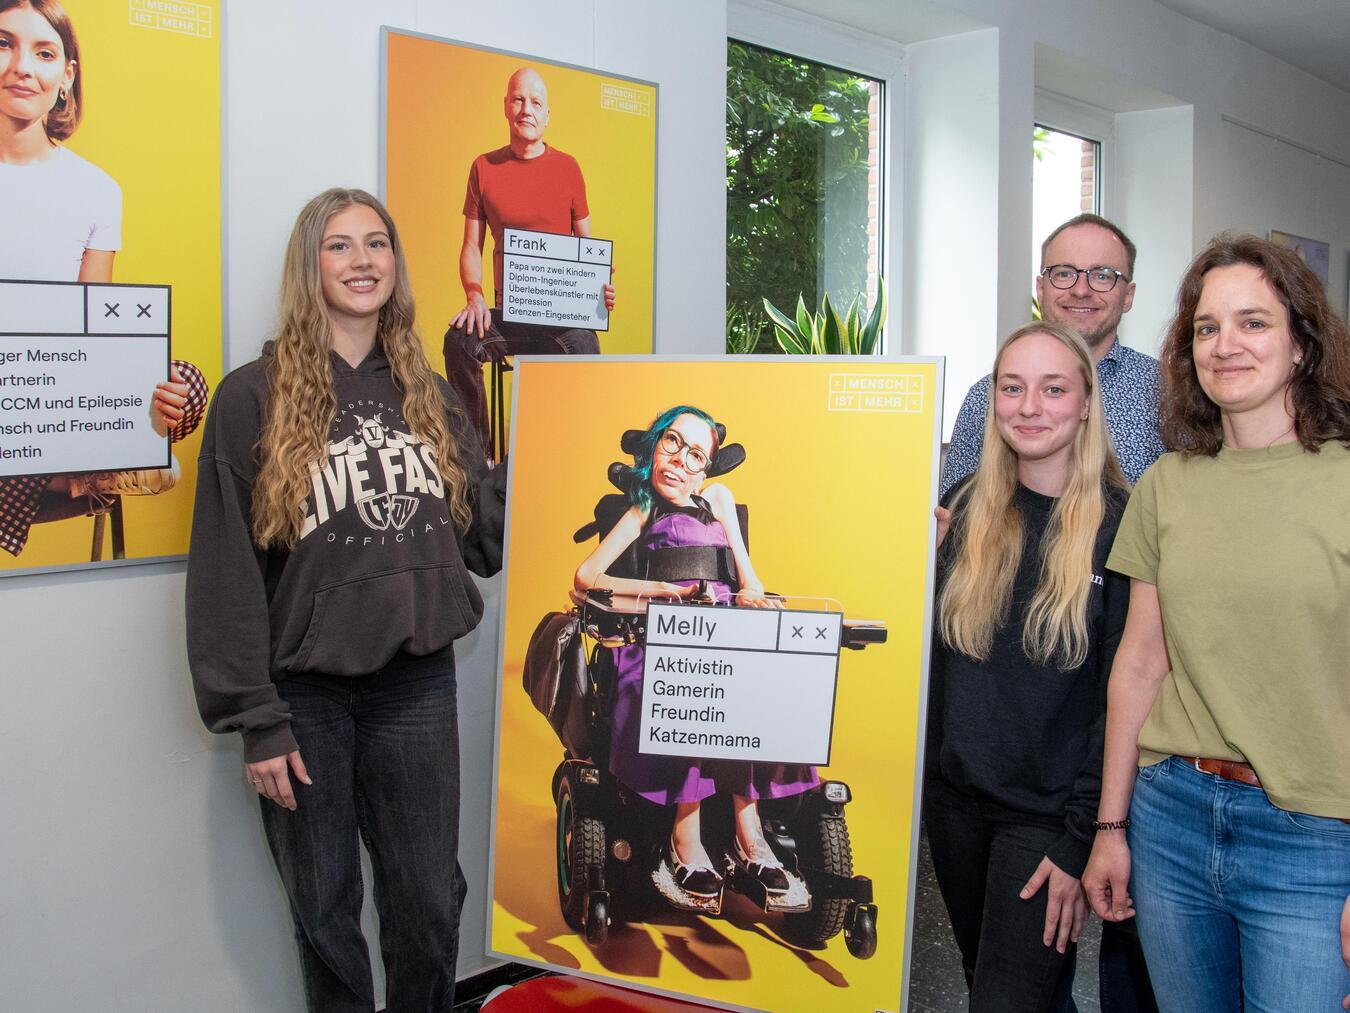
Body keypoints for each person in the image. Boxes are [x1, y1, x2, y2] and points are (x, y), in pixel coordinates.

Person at [186, 188, 504, 1013]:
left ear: (396, 265)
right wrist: (255, 715)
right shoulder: (251, 396)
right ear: (309, 266)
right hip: (304, 700)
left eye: (377, 243)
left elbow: (487, 537)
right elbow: (225, 572)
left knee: (430, 905)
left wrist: (544, 422)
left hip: (416, 686)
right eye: (339, 245)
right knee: (324, 913)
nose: (362, 260)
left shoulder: (428, 391)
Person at [1082, 234, 1350, 1012]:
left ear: (1303, 343)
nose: (1225, 344)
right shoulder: (1169, 484)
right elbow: (1138, 663)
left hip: (1317, 838)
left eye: (1254, 323)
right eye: (1206, 327)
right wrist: (1111, 826)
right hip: (1173, 818)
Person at [925, 321, 1130, 1012]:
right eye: (1012, 388)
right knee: (997, 984)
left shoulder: (1120, 527)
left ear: (1084, 404)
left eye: (1052, 388)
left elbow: (1120, 699)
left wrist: (1084, 838)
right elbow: (939, 669)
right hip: (956, 808)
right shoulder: (963, 510)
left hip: (1045, 820)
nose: (1030, 406)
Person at [574, 406, 811, 902]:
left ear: (707, 468)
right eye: (672, 443)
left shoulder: (719, 499)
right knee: (686, 690)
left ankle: (751, 839)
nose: (680, 460)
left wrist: (750, 593)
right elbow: (587, 577)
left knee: (756, 691)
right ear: (654, 444)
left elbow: (749, 578)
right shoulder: (643, 506)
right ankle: (686, 837)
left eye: (696, 454)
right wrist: (661, 589)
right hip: (662, 631)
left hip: (724, 627)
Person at [0, 0, 206, 557]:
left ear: (66, 75)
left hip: (47, 383)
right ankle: (74, 479)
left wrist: (137, 389)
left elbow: (93, 332)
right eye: (3, 44)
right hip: (14, 392)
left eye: (43, 52)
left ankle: (68, 468)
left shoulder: (95, 190)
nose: (22, 66)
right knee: (143, 460)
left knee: (183, 384)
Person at [443, 66, 616, 458]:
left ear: (547, 114)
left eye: (536, 102)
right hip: (510, 313)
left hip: (559, 321)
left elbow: (589, 246)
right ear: (506, 106)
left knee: (586, 348)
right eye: (519, 99)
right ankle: (478, 458)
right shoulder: (484, 168)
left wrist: (600, 287)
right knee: (458, 340)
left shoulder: (568, 168)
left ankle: (571, 454)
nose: (526, 109)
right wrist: (474, 294)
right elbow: (471, 245)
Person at [941, 214, 1165, 496]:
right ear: (1040, 288)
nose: (1081, 290)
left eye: (1102, 276)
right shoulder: (986, 399)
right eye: (1064, 273)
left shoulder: (1168, 393)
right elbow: (954, 516)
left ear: (1128, 296)